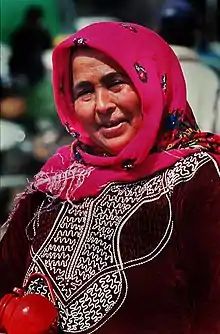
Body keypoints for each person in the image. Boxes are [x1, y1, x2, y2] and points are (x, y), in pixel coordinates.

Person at [0, 22, 220, 333]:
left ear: (154, 84)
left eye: (116, 83)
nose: (102, 105)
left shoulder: (199, 179)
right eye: (85, 91)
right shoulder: (57, 179)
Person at [158, 0, 220, 134]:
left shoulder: (146, 73)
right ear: (195, 34)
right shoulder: (210, 76)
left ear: (159, 31)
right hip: (204, 152)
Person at [9, 5, 52, 88]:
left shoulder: (19, 31)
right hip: (32, 68)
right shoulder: (39, 31)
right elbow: (47, 44)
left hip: (18, 68)